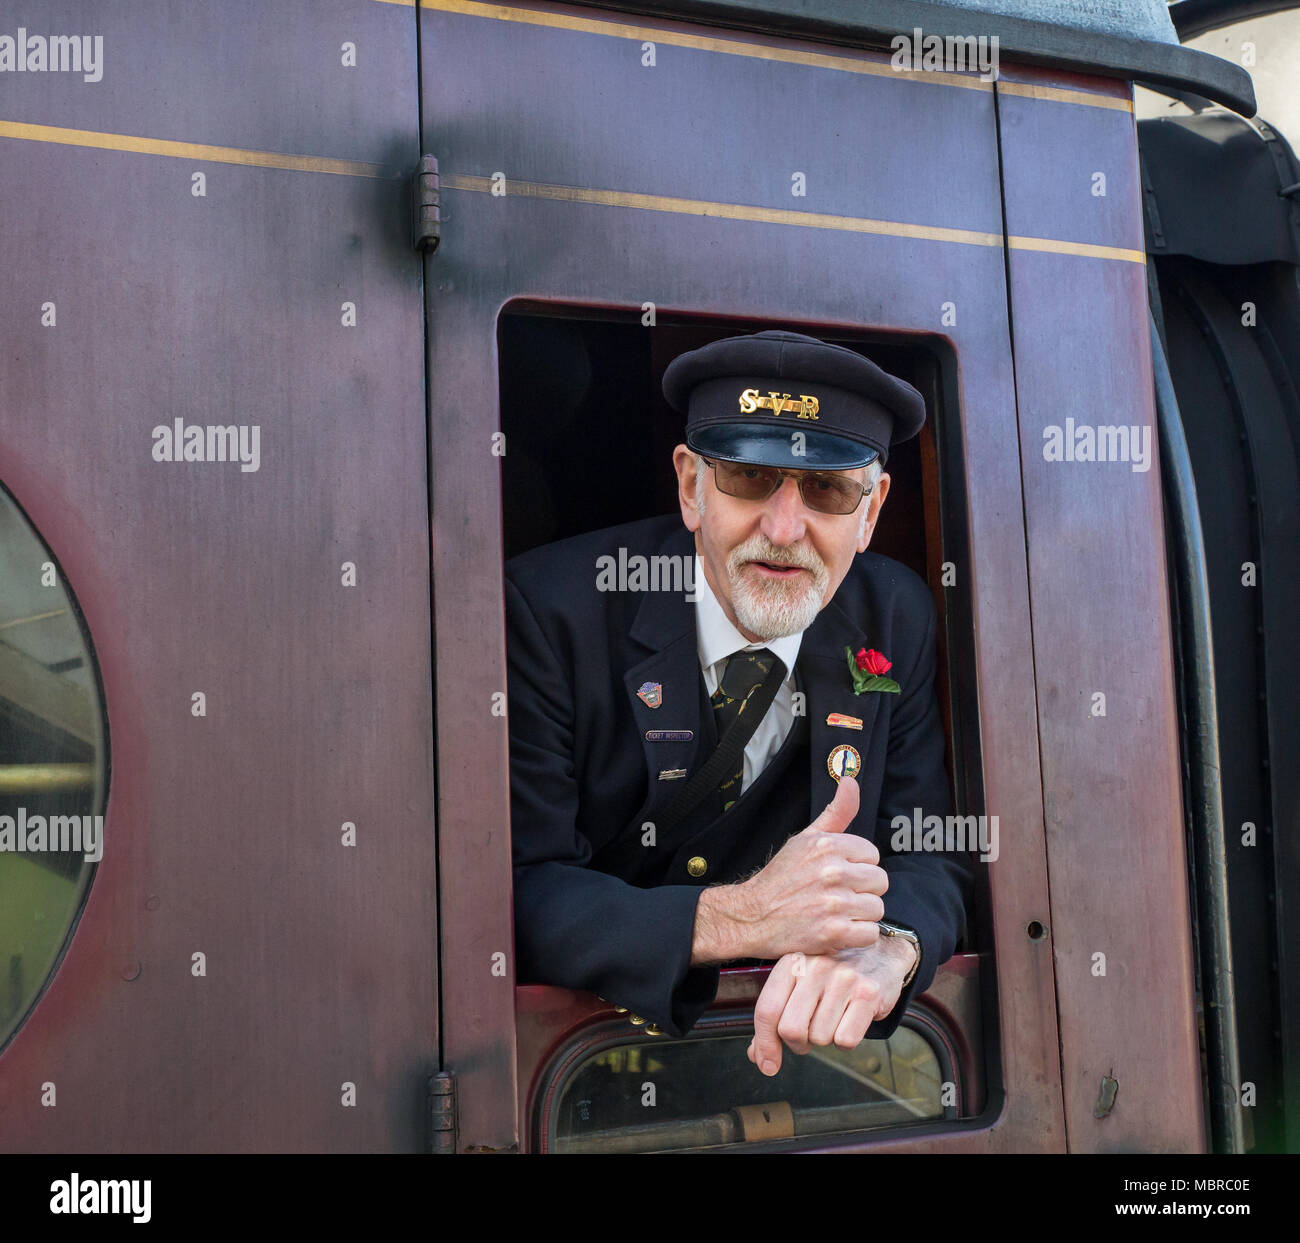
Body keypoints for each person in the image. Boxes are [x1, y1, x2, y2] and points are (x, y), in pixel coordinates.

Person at [505, 328, 971, 1077]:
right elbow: (518, 890)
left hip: (793, 1061)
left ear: (871, 509)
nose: (785, 531)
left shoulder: (896, 616)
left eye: (826, 489)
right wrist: (744, 914)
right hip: (572, 1065)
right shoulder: (552, 611)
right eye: (751, 479)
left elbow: (931, 853)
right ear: (691, 487)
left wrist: (890, 948)